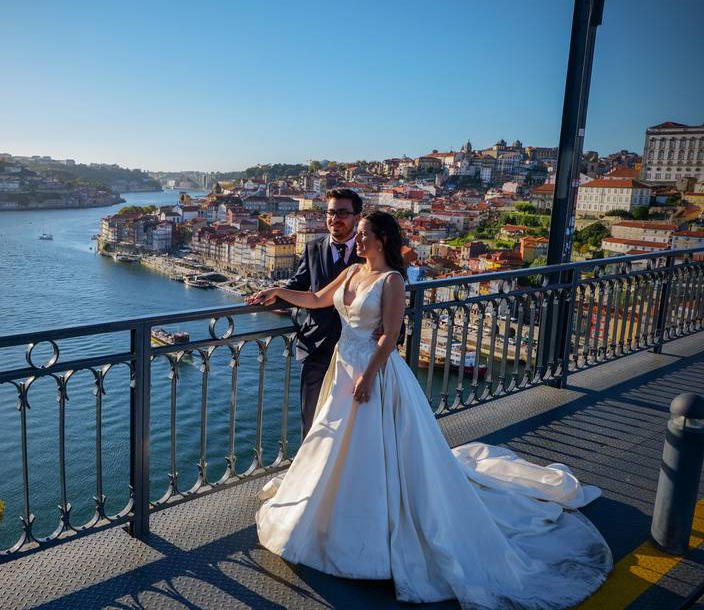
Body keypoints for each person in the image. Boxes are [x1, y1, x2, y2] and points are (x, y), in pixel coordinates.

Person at [246, 211, 611, 610]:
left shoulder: (392, 281)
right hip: (343, 367)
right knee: (330, 440)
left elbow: (389, 338)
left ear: (382, 239)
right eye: (360, 234)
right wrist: (279, 292)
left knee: (373, 450)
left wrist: (368, 378)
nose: (358, 240)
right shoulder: (351, 272)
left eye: (365, 234)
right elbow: (316, 300)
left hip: (373, 373)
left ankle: (366, 532)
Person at [280, 188, 365, 440]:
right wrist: (273, 293)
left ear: (357, 217)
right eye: (330, 212)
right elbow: (298, 284)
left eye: (342, 213)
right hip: (315, 347)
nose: (334, 218)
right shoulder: (313, 248)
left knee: (351, 424)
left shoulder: (370, 251)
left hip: (355, 352)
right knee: (313, 424)